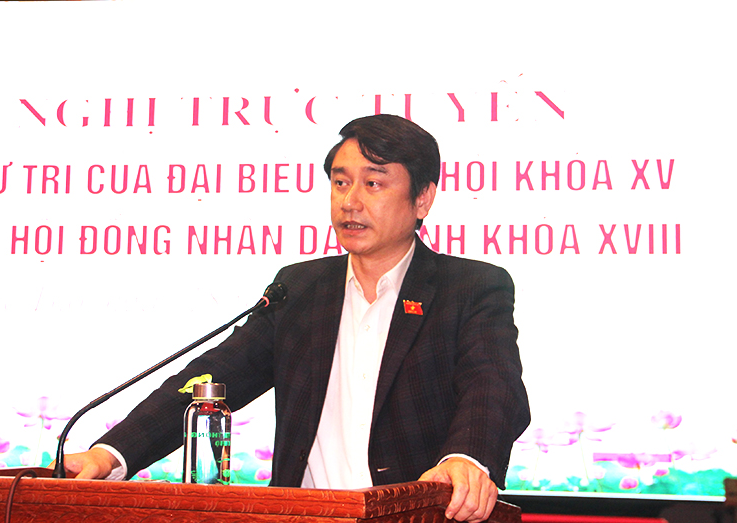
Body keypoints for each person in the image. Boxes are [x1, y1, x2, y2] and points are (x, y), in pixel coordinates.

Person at [59, 114, 530, 523]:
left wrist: (467, 459)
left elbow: (493, 384)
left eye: (373, 183)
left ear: (423, 198)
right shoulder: (300, 289)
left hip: (413, 516)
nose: (350, 201)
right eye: (341, 183)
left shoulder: (468, 288)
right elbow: (211, 378)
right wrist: (111, 454)